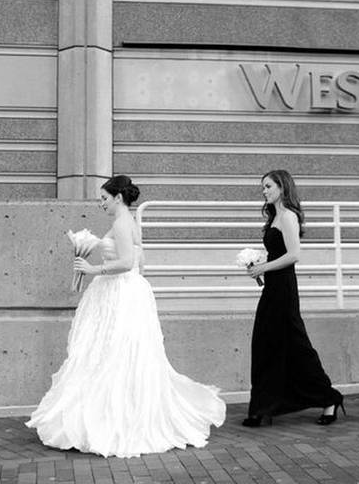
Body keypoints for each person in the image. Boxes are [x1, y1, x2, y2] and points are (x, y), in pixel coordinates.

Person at [25, 175, 225, 458]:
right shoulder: (129, 222)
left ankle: (115, 419)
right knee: (115, 354)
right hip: (127, 292)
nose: (102, 203)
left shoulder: (121, 223)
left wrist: (93, 269)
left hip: (120, 292)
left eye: (104, 198)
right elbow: (140, 262)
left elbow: (127, 262)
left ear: (118, 198)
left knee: (113, 353)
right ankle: (120, 414)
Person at [241, 169, 344, 427]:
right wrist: (259, 265)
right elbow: (278, 253)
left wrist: (264, 267)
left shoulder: (288, 217)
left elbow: (294, 255)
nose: (264, 191)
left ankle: (329, 398)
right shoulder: (275, 217)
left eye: (268, 186)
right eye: (263, 187)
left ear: (282, 188)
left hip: (284, 289)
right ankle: (263, 407)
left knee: (296, 345)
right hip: (272, 288)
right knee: (266, 345)